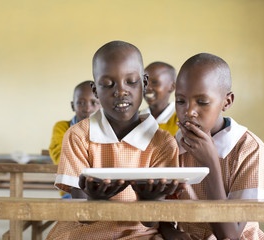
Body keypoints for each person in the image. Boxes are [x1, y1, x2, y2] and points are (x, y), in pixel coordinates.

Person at [46, 41, 180, 240]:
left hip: (138, 235)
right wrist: (95, 200)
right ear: (95, 91)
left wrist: (148, 200)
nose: (120, 91)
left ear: (144, 83)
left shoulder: (163, 143)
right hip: (80, 234)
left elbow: (151, 221)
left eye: (131, 82)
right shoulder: (78, 136)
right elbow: (82, 217)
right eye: (108, 84)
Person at [159, 53, 264, 240]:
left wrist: (210, 163)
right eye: (180, 101)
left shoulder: (250, 150)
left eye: (202, 102)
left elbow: (229, 235)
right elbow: (162, 216)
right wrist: (174, 234)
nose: (189, 111)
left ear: (227, 102)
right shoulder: (171, 147)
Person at [48, 80, 101, 165]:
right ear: (73, 106)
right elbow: (60, 157)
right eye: (81, 103)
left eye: (94, 103)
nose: (87, 109)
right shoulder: (62, 127)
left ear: (103, 106)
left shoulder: (110, 128)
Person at [141, 62, 179, 136]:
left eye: (155, 83)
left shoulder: (180, 120)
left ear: (172, 87)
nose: (147, 87)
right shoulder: (135, 118)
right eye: (145, 82)